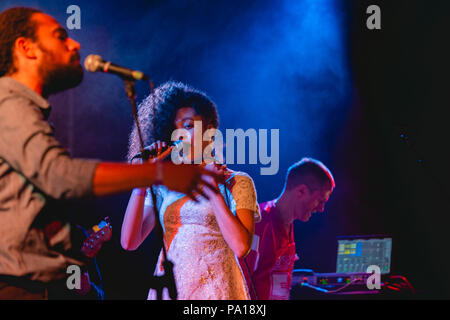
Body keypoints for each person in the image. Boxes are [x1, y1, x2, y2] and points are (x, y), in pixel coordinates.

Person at [0, 7, 221, 299]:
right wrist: (155, 173)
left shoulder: (27, 110)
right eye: (60, 36)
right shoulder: (9, 103)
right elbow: (58, 173)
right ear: (25, 47)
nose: (75, 43)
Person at [121, 81, 261, 300]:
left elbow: (242, 246)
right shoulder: (162, 185)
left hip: (216, 291)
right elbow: (129, 242)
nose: (180, 135)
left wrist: (212, 188)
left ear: (210, 130)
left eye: (188, 126)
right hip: (171, 289)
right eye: (175, 128)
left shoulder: (237, 181)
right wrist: (142, 176)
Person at [239, 158, 335, 300]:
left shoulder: (287, 226)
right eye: (320, 201)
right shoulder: (258, 224)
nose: (321, 209)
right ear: (301, 191)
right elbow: (238, 286)